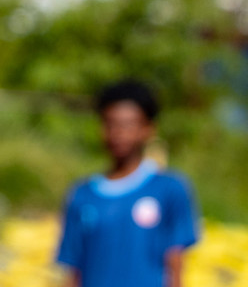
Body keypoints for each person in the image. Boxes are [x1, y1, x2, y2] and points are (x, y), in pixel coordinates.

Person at [56, 81, 199, 287]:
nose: (118, 133)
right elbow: (73, 269)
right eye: (111, 124)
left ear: (148, 129)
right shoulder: (82, 194)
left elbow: (175, 263)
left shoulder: (170, 189)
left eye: (128, 125)